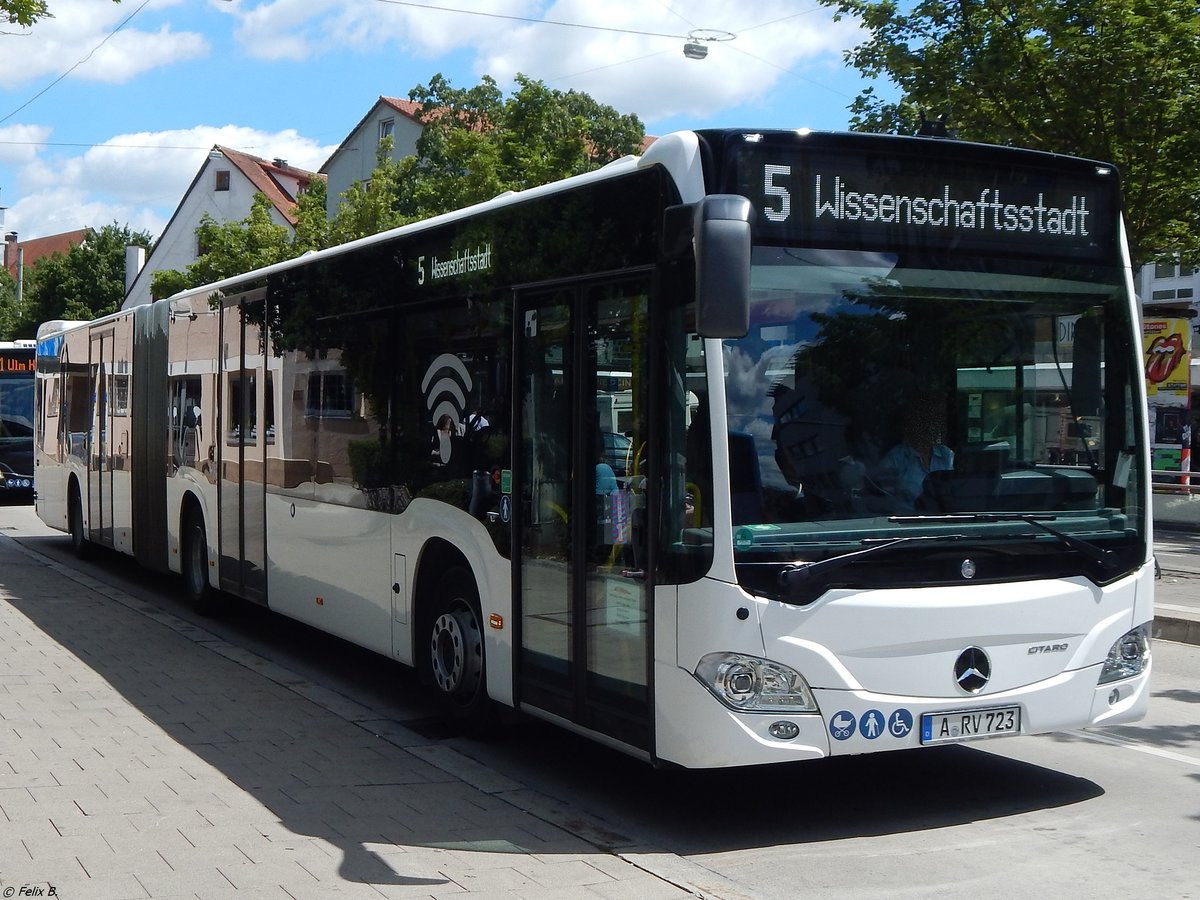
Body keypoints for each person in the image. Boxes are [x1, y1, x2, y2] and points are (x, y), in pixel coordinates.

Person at [877, 391, 954, 512]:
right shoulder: (894, 459)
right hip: (908, 524)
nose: (930, 426)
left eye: (934, 421)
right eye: (924, 421)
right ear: (911, 424)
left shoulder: (947, 455)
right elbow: (885, 503)